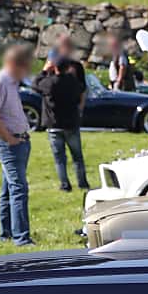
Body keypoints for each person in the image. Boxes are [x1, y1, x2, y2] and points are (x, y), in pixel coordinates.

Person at [0, 42, 35, 246]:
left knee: (9, 189)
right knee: (19, 188)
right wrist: (10, 139)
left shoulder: (11, 82)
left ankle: (7, 233)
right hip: (9, 142)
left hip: (18, 140)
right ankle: (22, 237)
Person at [35, 38, 90, 191]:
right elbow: (81, 89)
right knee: (77, 157)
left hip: (54, 124)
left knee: (60, 159)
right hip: (71, 123)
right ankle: (83, 183)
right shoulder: (73, 82)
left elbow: (35, 85)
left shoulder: (49, 83)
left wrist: (45, 70)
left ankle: (65, 185)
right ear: (67, 68)